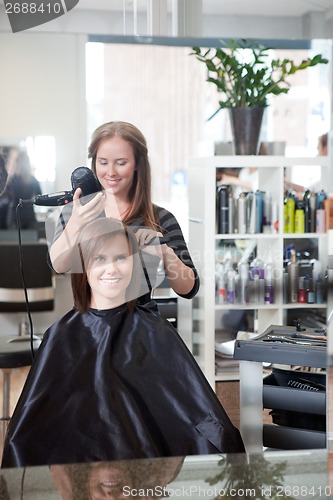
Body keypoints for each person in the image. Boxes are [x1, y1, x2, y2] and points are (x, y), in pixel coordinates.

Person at [1, 218, 244, 468]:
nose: (112, 269)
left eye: (121, 258)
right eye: (100, 259)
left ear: (135, 265)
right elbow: (26, 440)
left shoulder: (154, 331)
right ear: (83, 267)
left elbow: (206, 426)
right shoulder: (61, 336)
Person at [49, 121, 199, 304]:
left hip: (141, 326)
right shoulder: (77, 211)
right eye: (103, 162)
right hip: (90, 325)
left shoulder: (160, 218)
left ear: (137, 164)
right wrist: (76, 223)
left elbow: (189, 289)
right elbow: (58, 266)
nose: (110, 172)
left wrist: (165, 252)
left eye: (121, 163)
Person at [5, 151, 42, 229]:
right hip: (29, 215)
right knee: (30, 239)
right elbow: (39, 196)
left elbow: (7, 198)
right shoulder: (33, 180)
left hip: (14, 216)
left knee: (14, 240)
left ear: (17, 163)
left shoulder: (12, 180)